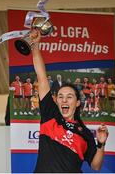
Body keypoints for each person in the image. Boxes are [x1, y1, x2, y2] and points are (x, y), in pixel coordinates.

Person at [30, 29, 109, 173]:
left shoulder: (84, 133)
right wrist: (35, 46)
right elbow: (41, 76)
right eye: (60, 96)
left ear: (78, 103)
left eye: (69, 96)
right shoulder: (50, 115)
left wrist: (101, 143)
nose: (64, 99)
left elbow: (96, 166)